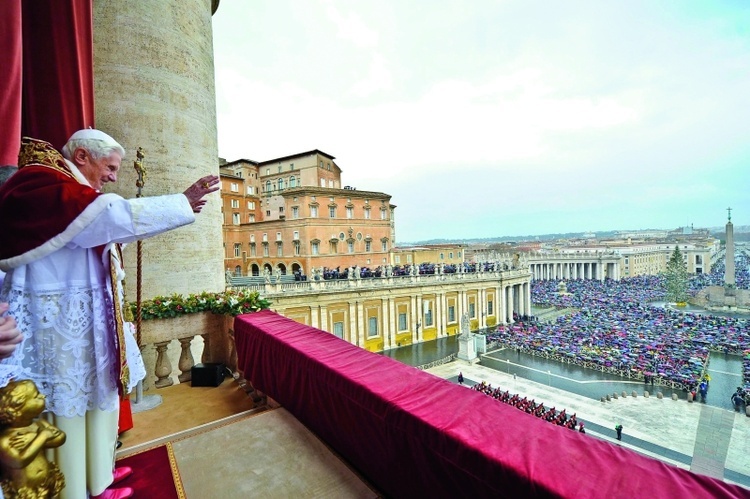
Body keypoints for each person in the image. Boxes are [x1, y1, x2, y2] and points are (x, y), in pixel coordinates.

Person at [0, 130, 219, 499]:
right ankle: (73, 489)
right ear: (82, 156)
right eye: (110, 167)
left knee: (97, 404)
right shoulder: (43, 184)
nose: (114, 177)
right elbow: (116, 216)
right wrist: (180, 203)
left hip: (86, 328)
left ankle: (98, 479)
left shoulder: (72, 193)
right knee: (67, 406)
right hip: (57, 334)